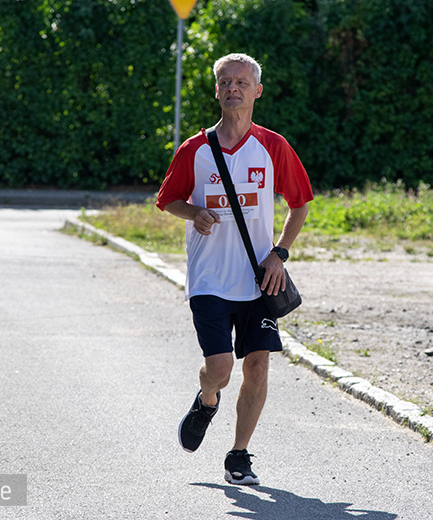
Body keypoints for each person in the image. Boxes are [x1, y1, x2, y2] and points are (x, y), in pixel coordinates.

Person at [156, 53, 313, 486]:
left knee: (258, 366)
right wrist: (193, 212)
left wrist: (279, 253)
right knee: (221, 368)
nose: (233, 88)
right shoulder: (196, 149)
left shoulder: (273, 146)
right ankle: (207, 400)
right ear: (217, 91)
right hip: (208, 278)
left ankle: (239, 455)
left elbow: (300, 202)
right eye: (225, 82)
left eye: (242, 82)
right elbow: (167, 199)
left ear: (257, 90)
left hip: (257, 278)